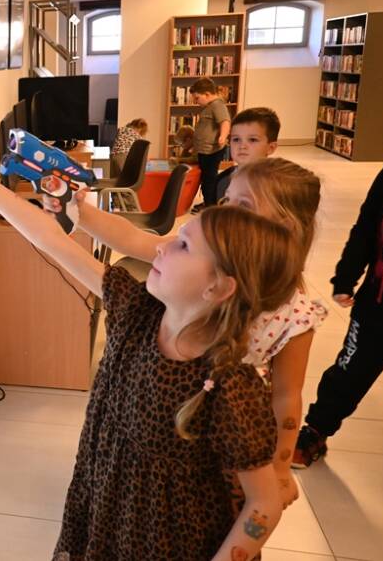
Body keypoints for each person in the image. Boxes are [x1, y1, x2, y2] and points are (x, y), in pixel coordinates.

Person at [0, 156, 301, 561]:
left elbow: (264, 503)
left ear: (218, 287)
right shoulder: (135, 310)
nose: (161, 246)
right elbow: (50, 239)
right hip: (104, 504)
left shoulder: (229, 385)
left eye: (182, 245)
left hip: (170, 543)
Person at [50, 157, 325, 509]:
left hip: (221, 436)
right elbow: (133, 239)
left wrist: (281, 469)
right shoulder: (204, 253)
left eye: (243, 205)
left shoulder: (293, 314)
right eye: (227, 200)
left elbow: (287, 397)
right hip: (161, 408)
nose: (226, 211)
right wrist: (80, 210)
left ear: (283, 227)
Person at [294, 97, 383, 468]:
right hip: (378, 311)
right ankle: (315, 431)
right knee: (348, 373)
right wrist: (345, 277)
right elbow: (365, 231)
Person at [213, 107, 281, 204]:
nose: (242, 146)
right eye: (236, 139)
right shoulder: (222, 180)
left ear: (271, 148)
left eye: (252, 140)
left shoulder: (278, 185)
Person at [190, 78, 231, 213]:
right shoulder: (208, 107)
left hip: (212, 151)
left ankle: (210, 205)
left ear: (207, 94)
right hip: (204, 150)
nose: (196, 101)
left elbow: (225, 121)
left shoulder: (217, 105)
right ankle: (208, 202)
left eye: (197, 98)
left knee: (209, 179)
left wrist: (223, 136)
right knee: (205, 178)